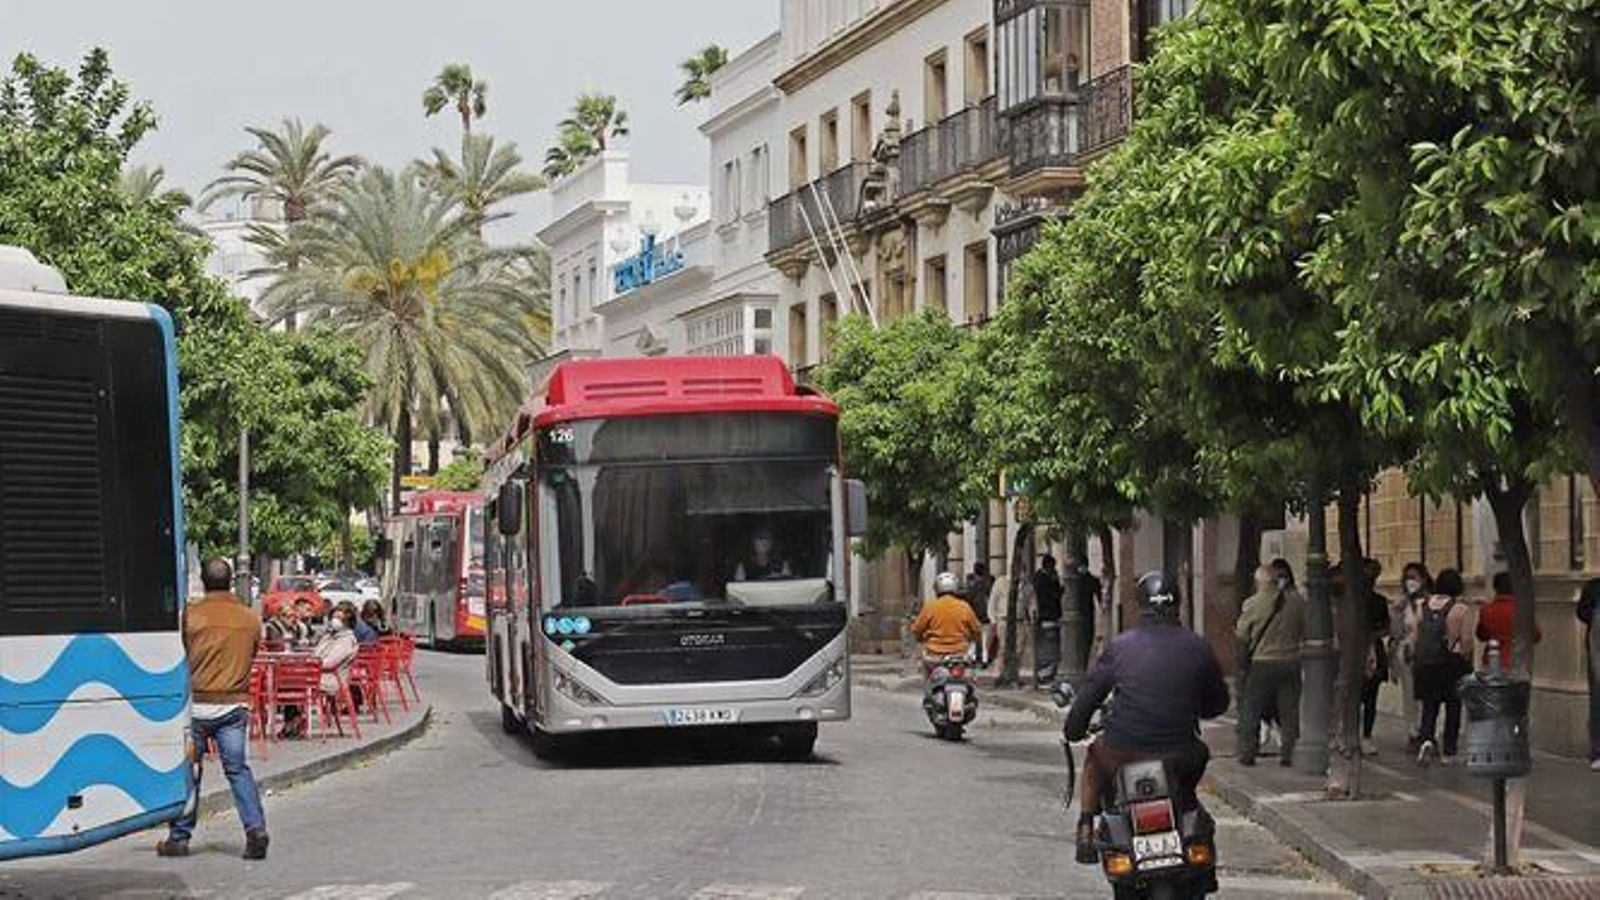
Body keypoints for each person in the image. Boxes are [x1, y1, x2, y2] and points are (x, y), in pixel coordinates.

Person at [1065, 571, 1230, 865]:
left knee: (1094, 757)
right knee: (1200, 753)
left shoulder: (1120, 647)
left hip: (1123, 752)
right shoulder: (1198, 646)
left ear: (1140, 605)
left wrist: (1074, 729)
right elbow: (1218, 703)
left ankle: (1086, 828)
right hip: (1179, 753)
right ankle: (1184, 805)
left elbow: (1088, 697)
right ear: (1177, 603)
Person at [157, 558, 269, 860]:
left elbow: (179, 654)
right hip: (234, 705)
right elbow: (252, 654)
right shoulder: (250, 618)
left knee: (190, 771)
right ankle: (255, 829)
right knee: (238, 769)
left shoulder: (190, 616)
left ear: (204, 582)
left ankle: (179, 837)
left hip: (196, 705)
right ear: (231, 581)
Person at [1234, 564, 1305, 767]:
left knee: (1252, 709)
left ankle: (1248, 752)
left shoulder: (1252, 603)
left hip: (1262, 663)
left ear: (1259, 582)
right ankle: (1289, 752)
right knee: (1289, 710)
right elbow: (1305, 629)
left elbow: (1242, 635)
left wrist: (1241, 663)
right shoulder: (1297, 602)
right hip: (1291, 662)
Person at [1413, 568, 1475, 765]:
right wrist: (1467, 659)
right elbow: (1466, 641)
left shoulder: (1421, 605)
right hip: (1451, 663)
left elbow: (1415, 636)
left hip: (1425, 663)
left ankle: (1426, 740)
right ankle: (1449, 751)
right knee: (1453, 707)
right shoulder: (1461, 609)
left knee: (1429, 706)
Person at [1391, 562, 1432, 753]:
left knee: (1427, 694)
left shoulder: (1431, 602)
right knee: (1410, 694)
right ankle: (1413, 732)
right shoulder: (1401, 604)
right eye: (1408, 578)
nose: (1411, 582)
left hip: (1427, 653)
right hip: (1406, 652)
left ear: (1423, 579)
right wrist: (1396, 614)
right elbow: (1396, 632)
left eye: (1414, 577)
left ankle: (1427, 731)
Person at [911, 571, 983, 673]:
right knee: (969, 675)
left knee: (927, 674)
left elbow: (916, 629)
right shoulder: (964, 607)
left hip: (934, 655)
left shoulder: (930, 607)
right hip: (960, 654)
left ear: (937, 589)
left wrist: (921, 638)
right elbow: (977, 630)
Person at [1359, 558, 1392, 756]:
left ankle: (1366, 736)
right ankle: (1356, 734)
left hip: (1372, 651)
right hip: (1356, 650)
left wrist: (1371, 636)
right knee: (1358, 697)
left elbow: (1387, 626)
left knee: (1370, 697)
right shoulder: (1349, 600)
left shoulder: (1379, 601)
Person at [1477, 571, 1540, 672]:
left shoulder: (1486, 610)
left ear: (1495, 588)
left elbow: (1482, 635)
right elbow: (1535, 636)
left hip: (1492, 662)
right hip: (1518, 662)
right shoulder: (1523, 610)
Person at [1576, 579, 1600, 772]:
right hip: (1597, 650)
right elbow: (1581, 612)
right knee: (1598, 701)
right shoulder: (1593, 587)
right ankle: (1597, 751)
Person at [1032, 555, 1065, 687]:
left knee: (1049, 647)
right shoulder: (1044, 580)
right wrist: (1058, 586)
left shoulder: (1039, 578)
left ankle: (1045, 674)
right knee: (1049, 647)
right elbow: (1052, 596)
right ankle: (1044, 675)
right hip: (1047, 617)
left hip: (1048, 617)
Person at [964, 563, 995, 666]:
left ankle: (973, 658)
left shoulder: (972, 586)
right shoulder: (989, 584)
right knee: (985, 639)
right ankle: (984, 659)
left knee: (974, 639)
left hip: (974, 615)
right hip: (986, 615)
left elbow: (968, 599)